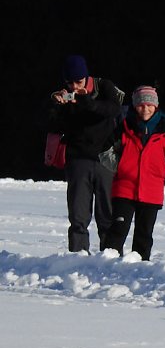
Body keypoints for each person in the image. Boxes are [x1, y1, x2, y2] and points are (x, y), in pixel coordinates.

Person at [47, 54, 124, 253]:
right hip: (78, 159)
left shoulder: (104, 86)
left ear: (87, 77)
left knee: (106, 216)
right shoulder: (65, 95)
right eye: (70, 82)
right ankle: (78, 258)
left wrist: (87, 101)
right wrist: (58, 107)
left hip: (105, 159)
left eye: (78, 81)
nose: (74, 86)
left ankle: (108, 258)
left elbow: (113, 109)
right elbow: (55, 125)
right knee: (78, 216)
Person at [100, 85, 165, 260]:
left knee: (144, 235)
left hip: (151, 192)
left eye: (149, 105)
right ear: (134, 106)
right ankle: (106, 265)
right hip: (124, 189)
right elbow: (104, 152)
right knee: (117, 231)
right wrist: (122, 166)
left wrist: (161, 169)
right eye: (140, 105)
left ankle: (140, 268)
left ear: (156, 106)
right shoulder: (124, 127)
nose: (145, 109)